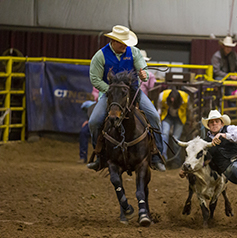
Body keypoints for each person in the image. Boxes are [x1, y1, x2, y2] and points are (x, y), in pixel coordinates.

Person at [88, 25, 165, 171]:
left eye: (126, 42)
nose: (125, 45)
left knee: (154, 116)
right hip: (110, 96)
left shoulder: (134, 52)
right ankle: (99, 156)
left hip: (134, 93)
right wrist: (111, 91)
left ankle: (156, 154)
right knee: (94, 121)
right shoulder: (100, 56)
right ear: (113, 41)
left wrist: (144, 75)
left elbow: (144, 70)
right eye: (121, 42)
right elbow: (95, 79)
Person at [158, 88, 189, 162]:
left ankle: (176, 159)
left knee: (176, 138)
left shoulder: (186, 98)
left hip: (179, 118)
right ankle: (163, 157)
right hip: (167, 116)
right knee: (164, 134)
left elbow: (189, 109)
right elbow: (159, 107)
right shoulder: (162, 96)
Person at [78, 87, 99, 164]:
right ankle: (83, 157)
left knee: (99, 135)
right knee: (83, 132)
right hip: (93, 119)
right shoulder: (91, 105)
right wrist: (88, 120)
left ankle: (99, 158)